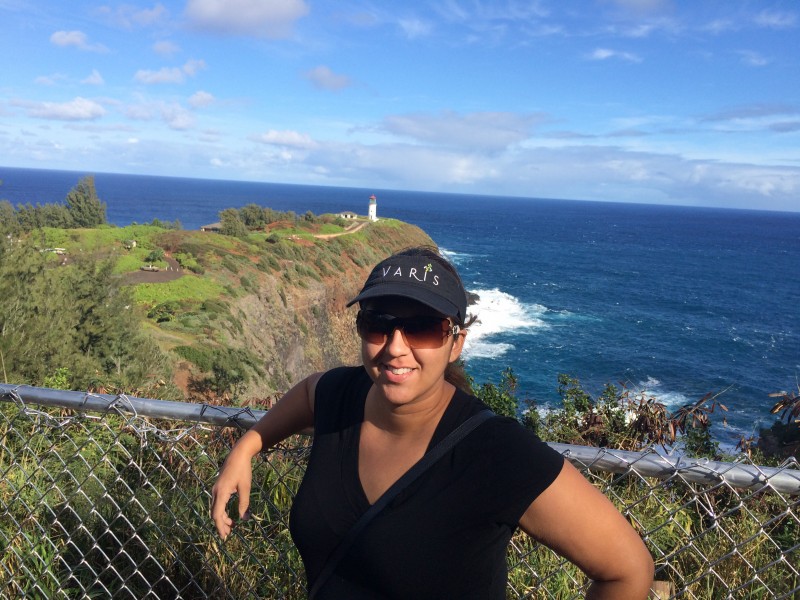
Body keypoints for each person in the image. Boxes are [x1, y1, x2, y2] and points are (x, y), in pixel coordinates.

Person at [211, 246, 654, 599]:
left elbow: (628, 569)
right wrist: (247, 447)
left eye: (422, 328)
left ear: (456, 342)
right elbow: (311, 391)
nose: (395, 347)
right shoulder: (343, 395)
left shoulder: (494, 450)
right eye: (377, 324)